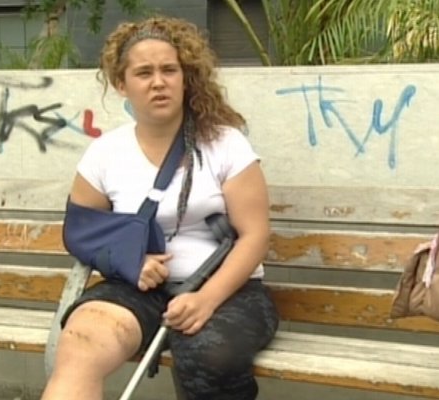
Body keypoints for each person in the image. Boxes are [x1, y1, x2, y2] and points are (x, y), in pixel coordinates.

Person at [41, 15, 279, 400]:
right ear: (122, 84)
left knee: (209, 356)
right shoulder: (105, 152)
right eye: (143, 72)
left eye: (169, 70)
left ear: (185, 78)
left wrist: (205, 299)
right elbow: (82, 231)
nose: (158, 82)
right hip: (138, 289)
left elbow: (255, 236)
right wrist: (129, 261)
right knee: (81, 342)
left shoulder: (226, 144)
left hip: (228, 291)